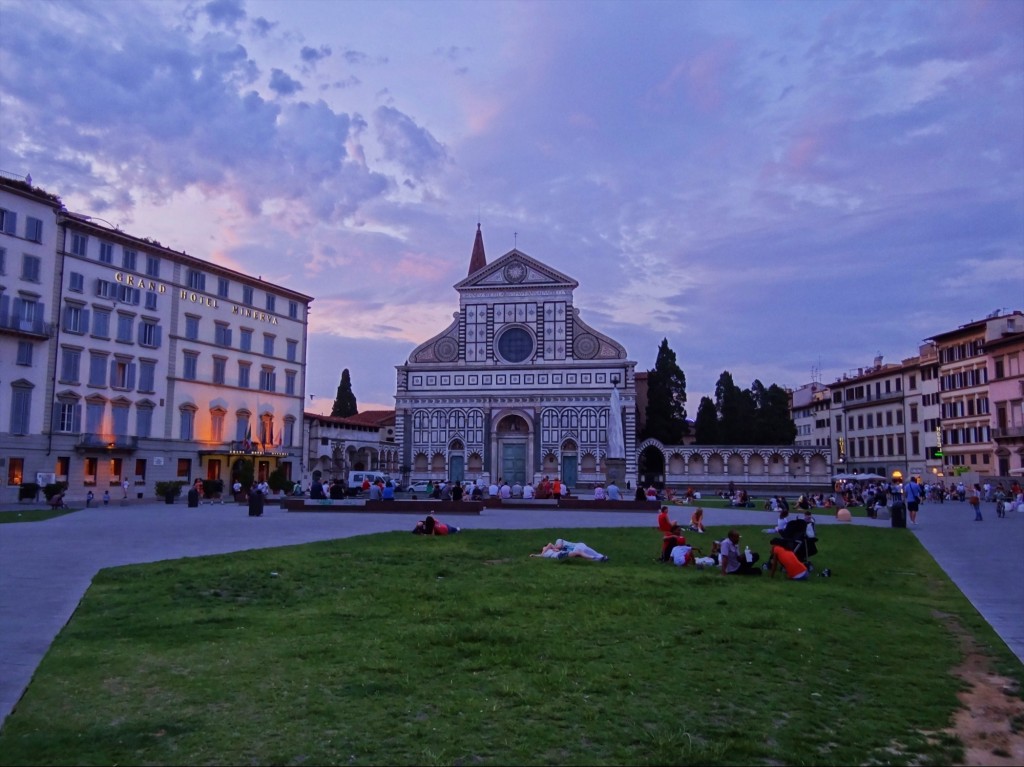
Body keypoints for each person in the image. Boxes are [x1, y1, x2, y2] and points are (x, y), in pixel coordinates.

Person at [530, 539, 608, 561]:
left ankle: (598, 557)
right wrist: (537, 555)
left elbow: (553, 545)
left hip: (577, 547)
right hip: (566, 553)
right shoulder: (547, 550)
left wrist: (537, 555)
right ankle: (599, 558)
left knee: (581, 553)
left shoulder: (558, 542)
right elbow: (550, 545)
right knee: (581, 554)